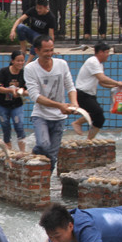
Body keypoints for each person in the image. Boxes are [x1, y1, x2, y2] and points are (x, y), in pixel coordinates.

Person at [23, 35, 78, 170]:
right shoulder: (30, 69)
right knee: (43, 145)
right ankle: (36, 152)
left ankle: (45, 182)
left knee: (52, 155)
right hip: (41, 115)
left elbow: (70, 87)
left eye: (51, 50)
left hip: (59, 117)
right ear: (37, 51)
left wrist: (74, 103)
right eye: (46, 51)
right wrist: (60, 105)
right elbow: (35, 96)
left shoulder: (62, 64)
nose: (49, 54)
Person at [73, 42, 122, 139]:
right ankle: (77, 123)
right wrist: (117, 83)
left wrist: (115, 86)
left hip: (90, 94)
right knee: (97, 112)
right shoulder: (93, 61)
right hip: (82, 93)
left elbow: (101, 83)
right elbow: (102, 78)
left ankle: (89, 140)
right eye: (107, 52)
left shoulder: (99, 64)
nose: (108, 55)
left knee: (99, 118)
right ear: (100, 52)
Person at [0, 50, 27, 152]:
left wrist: (23, 92)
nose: (20, 63)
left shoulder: (24, 73)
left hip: (16, 104)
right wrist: (11, 90)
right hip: (1, 104)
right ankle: (9, 151)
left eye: (22, 61)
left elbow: (28, 89)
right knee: (5, 127)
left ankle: (23, 152)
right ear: (12, 61)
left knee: (19, 126)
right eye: (18, 61)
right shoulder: (3, 72)